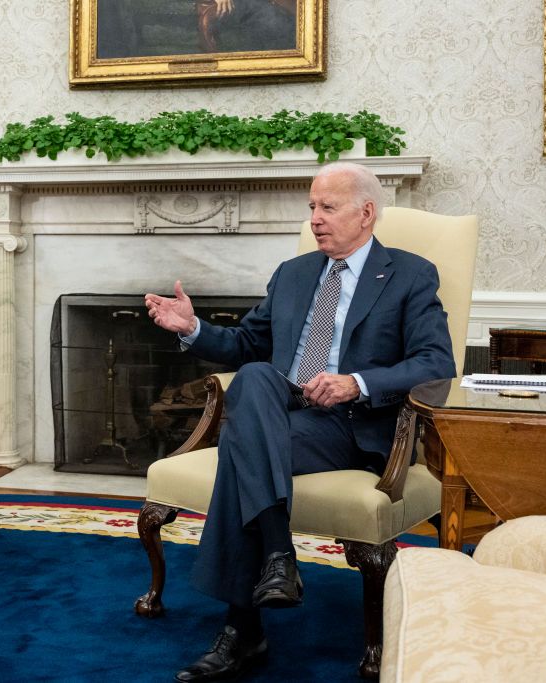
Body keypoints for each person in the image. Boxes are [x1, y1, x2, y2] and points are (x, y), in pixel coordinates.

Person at [144, 162, 455, 681]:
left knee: (241, 450)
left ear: (366, 213)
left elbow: (434, 363)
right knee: (260, 376)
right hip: (283, 412)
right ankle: (279, 554)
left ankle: (242, 628)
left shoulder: (409, 273)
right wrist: (193, 327)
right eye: (312, 207)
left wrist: (355, 380)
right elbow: (246, 345)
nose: (314, 219)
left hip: (351, 425)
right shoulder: (294, 274)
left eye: (328, 207)